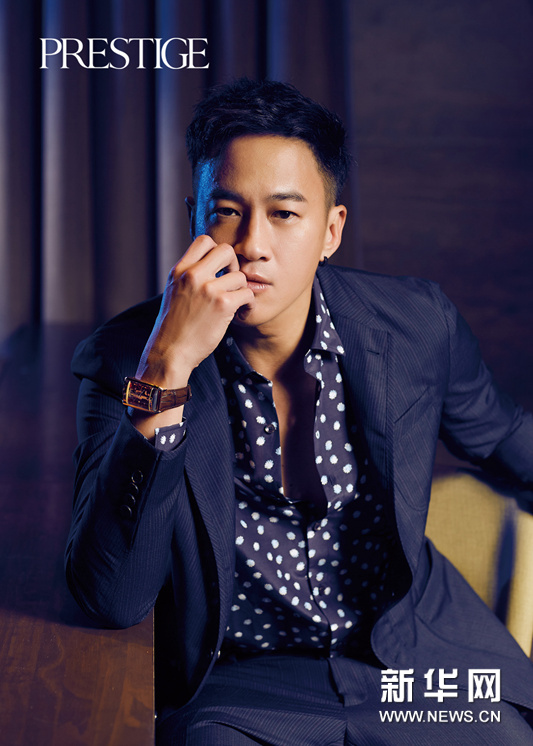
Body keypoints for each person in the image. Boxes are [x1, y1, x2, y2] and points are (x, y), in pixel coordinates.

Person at [67, 78, 533, 745]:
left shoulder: (415, 324)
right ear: (194, 219)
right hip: (240, 685)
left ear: (330, 230)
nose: (252, 243)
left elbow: (503, 437)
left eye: (284, 214)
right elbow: (111, 597)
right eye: (226, 212)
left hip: (412, 661)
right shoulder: (124, 360)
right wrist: (166, 370)